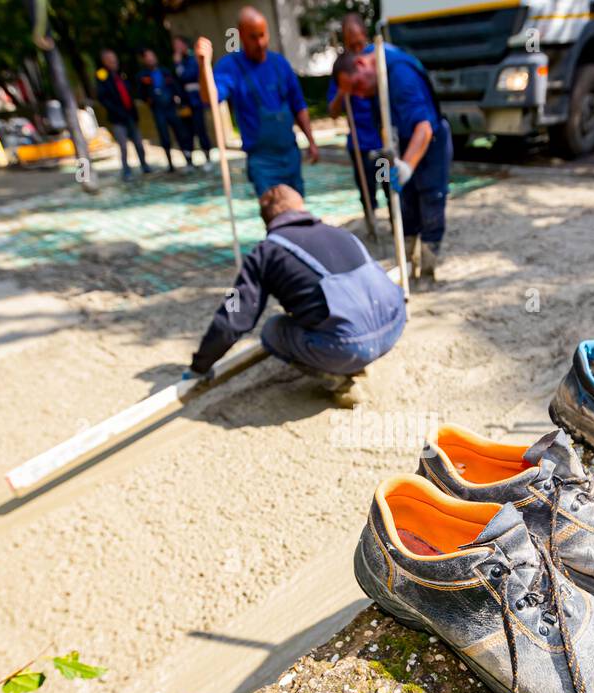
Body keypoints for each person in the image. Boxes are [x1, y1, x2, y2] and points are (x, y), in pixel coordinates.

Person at [186, 185, 405, 407]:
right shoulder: (342, 233)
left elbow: (233, 315)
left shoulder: (264, 253)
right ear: (301, 207)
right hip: (395, 325)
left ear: (266, 221)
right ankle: (357, 356)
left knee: (273, 330)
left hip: (350, 346)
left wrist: (200, 366)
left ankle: (339, 379)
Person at [333, 41, 451, 284]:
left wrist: (406, 167)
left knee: (430, 203)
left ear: (361, 64)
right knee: (405, 205)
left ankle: (427, 271)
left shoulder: (398, 75)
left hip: (429, 147)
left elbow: (424, 129)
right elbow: (385, 130)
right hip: (401, 145)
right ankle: (406, 264)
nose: (359, 95)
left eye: (357, 86)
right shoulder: (375, 79)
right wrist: (389, 169)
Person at [195, 6, 319, 197]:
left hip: (290, 153)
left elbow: (299, 106)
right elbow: (209, 98)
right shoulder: (231, 67)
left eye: (263, 35)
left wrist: (311, 141)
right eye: (253, 37)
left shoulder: (280, 64)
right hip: (262, 161)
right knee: (275, 213)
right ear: (241, 36)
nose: (260, 42)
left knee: (299, 213)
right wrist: (204, 66)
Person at [327, 13, 384, 217]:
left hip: (382, 141)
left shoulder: (375, 60)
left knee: (389, 183)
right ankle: (371, 222)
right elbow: (332, 112)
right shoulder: (343, 68)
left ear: (365, 35)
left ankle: (398, 223)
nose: (357, 50)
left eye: (359, 43)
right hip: (359, 144)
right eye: (352, 46)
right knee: (367, 191)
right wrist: (344, 91)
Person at [95, 49, 154, 181]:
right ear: (104, 61)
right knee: (123, 145)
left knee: (138, 142)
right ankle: (126, 170)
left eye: (114, 58)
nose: (113, 61)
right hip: (117, 118)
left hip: (130, 115)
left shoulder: (121, 74)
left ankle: (144, 165)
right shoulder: (102, 75)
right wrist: (115, 110)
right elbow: (102, 97)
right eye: (109, 59)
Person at [135, 46, 191, 171]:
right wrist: (149, 100)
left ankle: (188, 160)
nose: (151, 59)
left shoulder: (165, 71)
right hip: (158, 109)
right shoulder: (142, 76)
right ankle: (170, 164)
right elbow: (140, 93)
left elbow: (175, 86)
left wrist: (179, 100)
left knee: (181, 133)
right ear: (144, 60)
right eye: (148, 57)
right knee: (164, 136)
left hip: (171, 107)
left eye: (152, 56)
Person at [171, 35, 212, 163]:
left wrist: (178, 65)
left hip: (196, 101)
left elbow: (187, 76)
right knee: (186, 133)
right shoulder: (177, 61)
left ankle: (207, 157)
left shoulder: (192, 59)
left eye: (178, 44)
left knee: (200, 129)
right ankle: (189, 160)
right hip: (184, 102)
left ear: (184, 45)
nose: (176, 48)